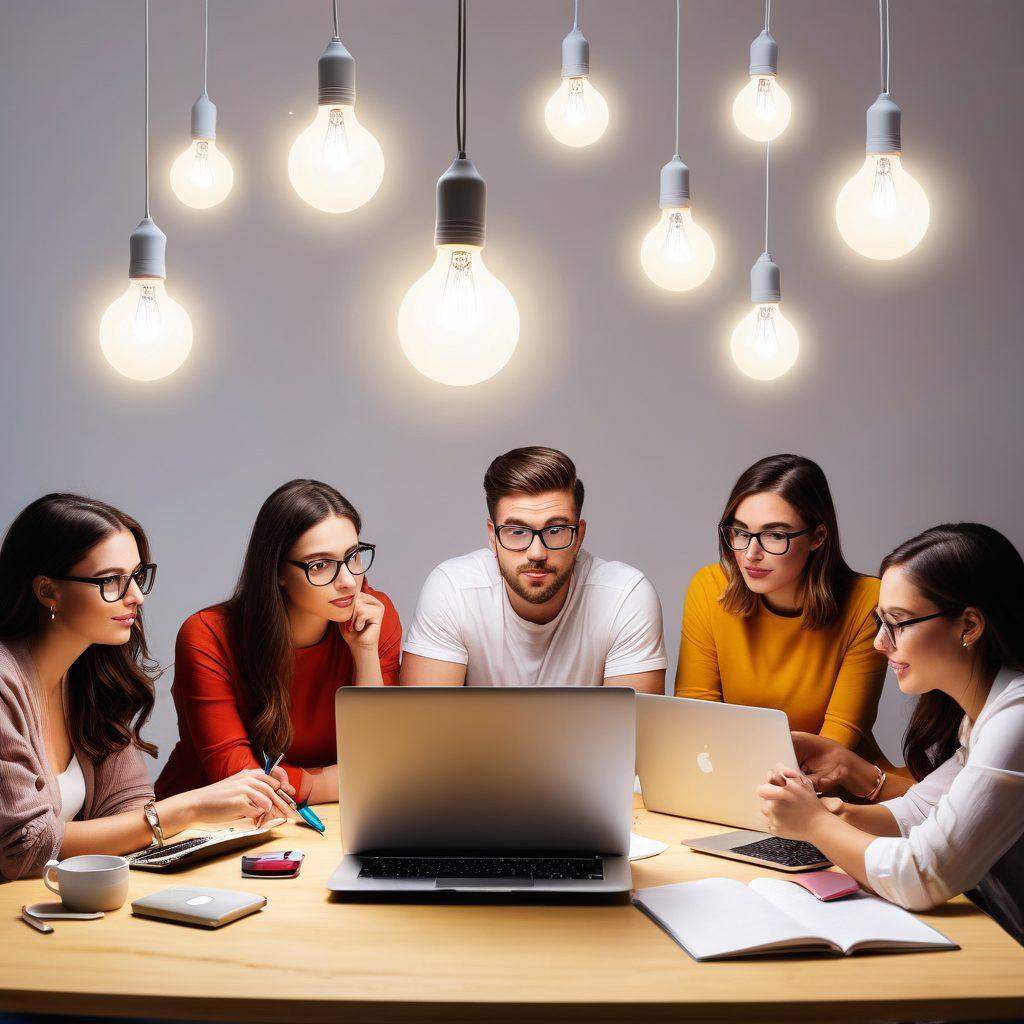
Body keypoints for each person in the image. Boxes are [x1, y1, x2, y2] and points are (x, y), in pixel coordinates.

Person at [0, 493, 295, 880]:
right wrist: (188, 808)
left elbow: (128, 805)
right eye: (111, 581)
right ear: (47, 591)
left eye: (137, 576)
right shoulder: (6, 683)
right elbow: (24, 848)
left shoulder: (90, 678)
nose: (136, 597)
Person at [758, 523, 1024, 945]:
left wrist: (812, 822)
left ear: (969, 626)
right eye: (880, 622)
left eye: (897, 623)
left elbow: (923, 875)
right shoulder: (984, 714)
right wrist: (819, 810)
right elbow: (918, 813)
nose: (881, 643)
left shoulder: (1017, 720)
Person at [156, 479, 401, 805]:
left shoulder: (373, 617)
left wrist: (365, 652)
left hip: (309, 820)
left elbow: (381, 769)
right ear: (277, 571)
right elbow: (238, 781)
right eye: (320, 564)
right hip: (203, 831)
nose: (347, 582)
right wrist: (334, 781)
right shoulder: (207, 635)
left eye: (353, 556)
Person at [674, 454, 900, 799]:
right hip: (732, 787)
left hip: (836, 794)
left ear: (818, 536)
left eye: (775, 535)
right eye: (740, 532)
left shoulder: (866, 600)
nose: (751, 554)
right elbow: (694, 720)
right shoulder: (709, 587)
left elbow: (834, 741)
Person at [400, 446, 667, 690]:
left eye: (555, 530)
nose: (537, 553)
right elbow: (425, 733)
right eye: (517, 531)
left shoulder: (624, 596)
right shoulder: (453, 590)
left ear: (579, 536)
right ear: (493, 537)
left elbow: (634, 736)